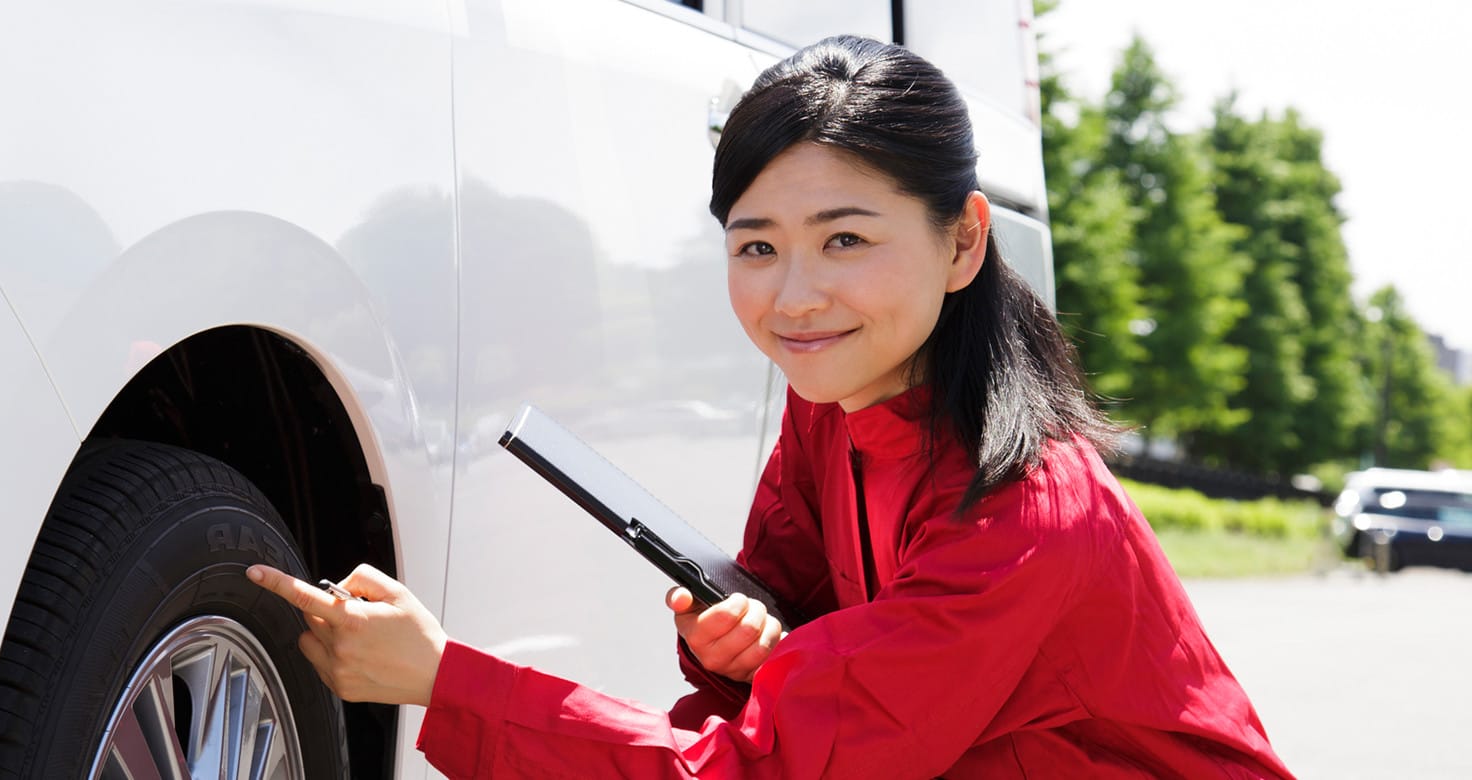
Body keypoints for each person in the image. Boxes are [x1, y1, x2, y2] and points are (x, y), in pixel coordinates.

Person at [247, 34, 1293, 778]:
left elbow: (754, 770)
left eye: (845, 239)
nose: (793, 298)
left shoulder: (1027, 517)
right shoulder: (835, 406)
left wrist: (446, 680)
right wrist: (734, 640)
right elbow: (788, 617)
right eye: (757, 246)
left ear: (966, 240)